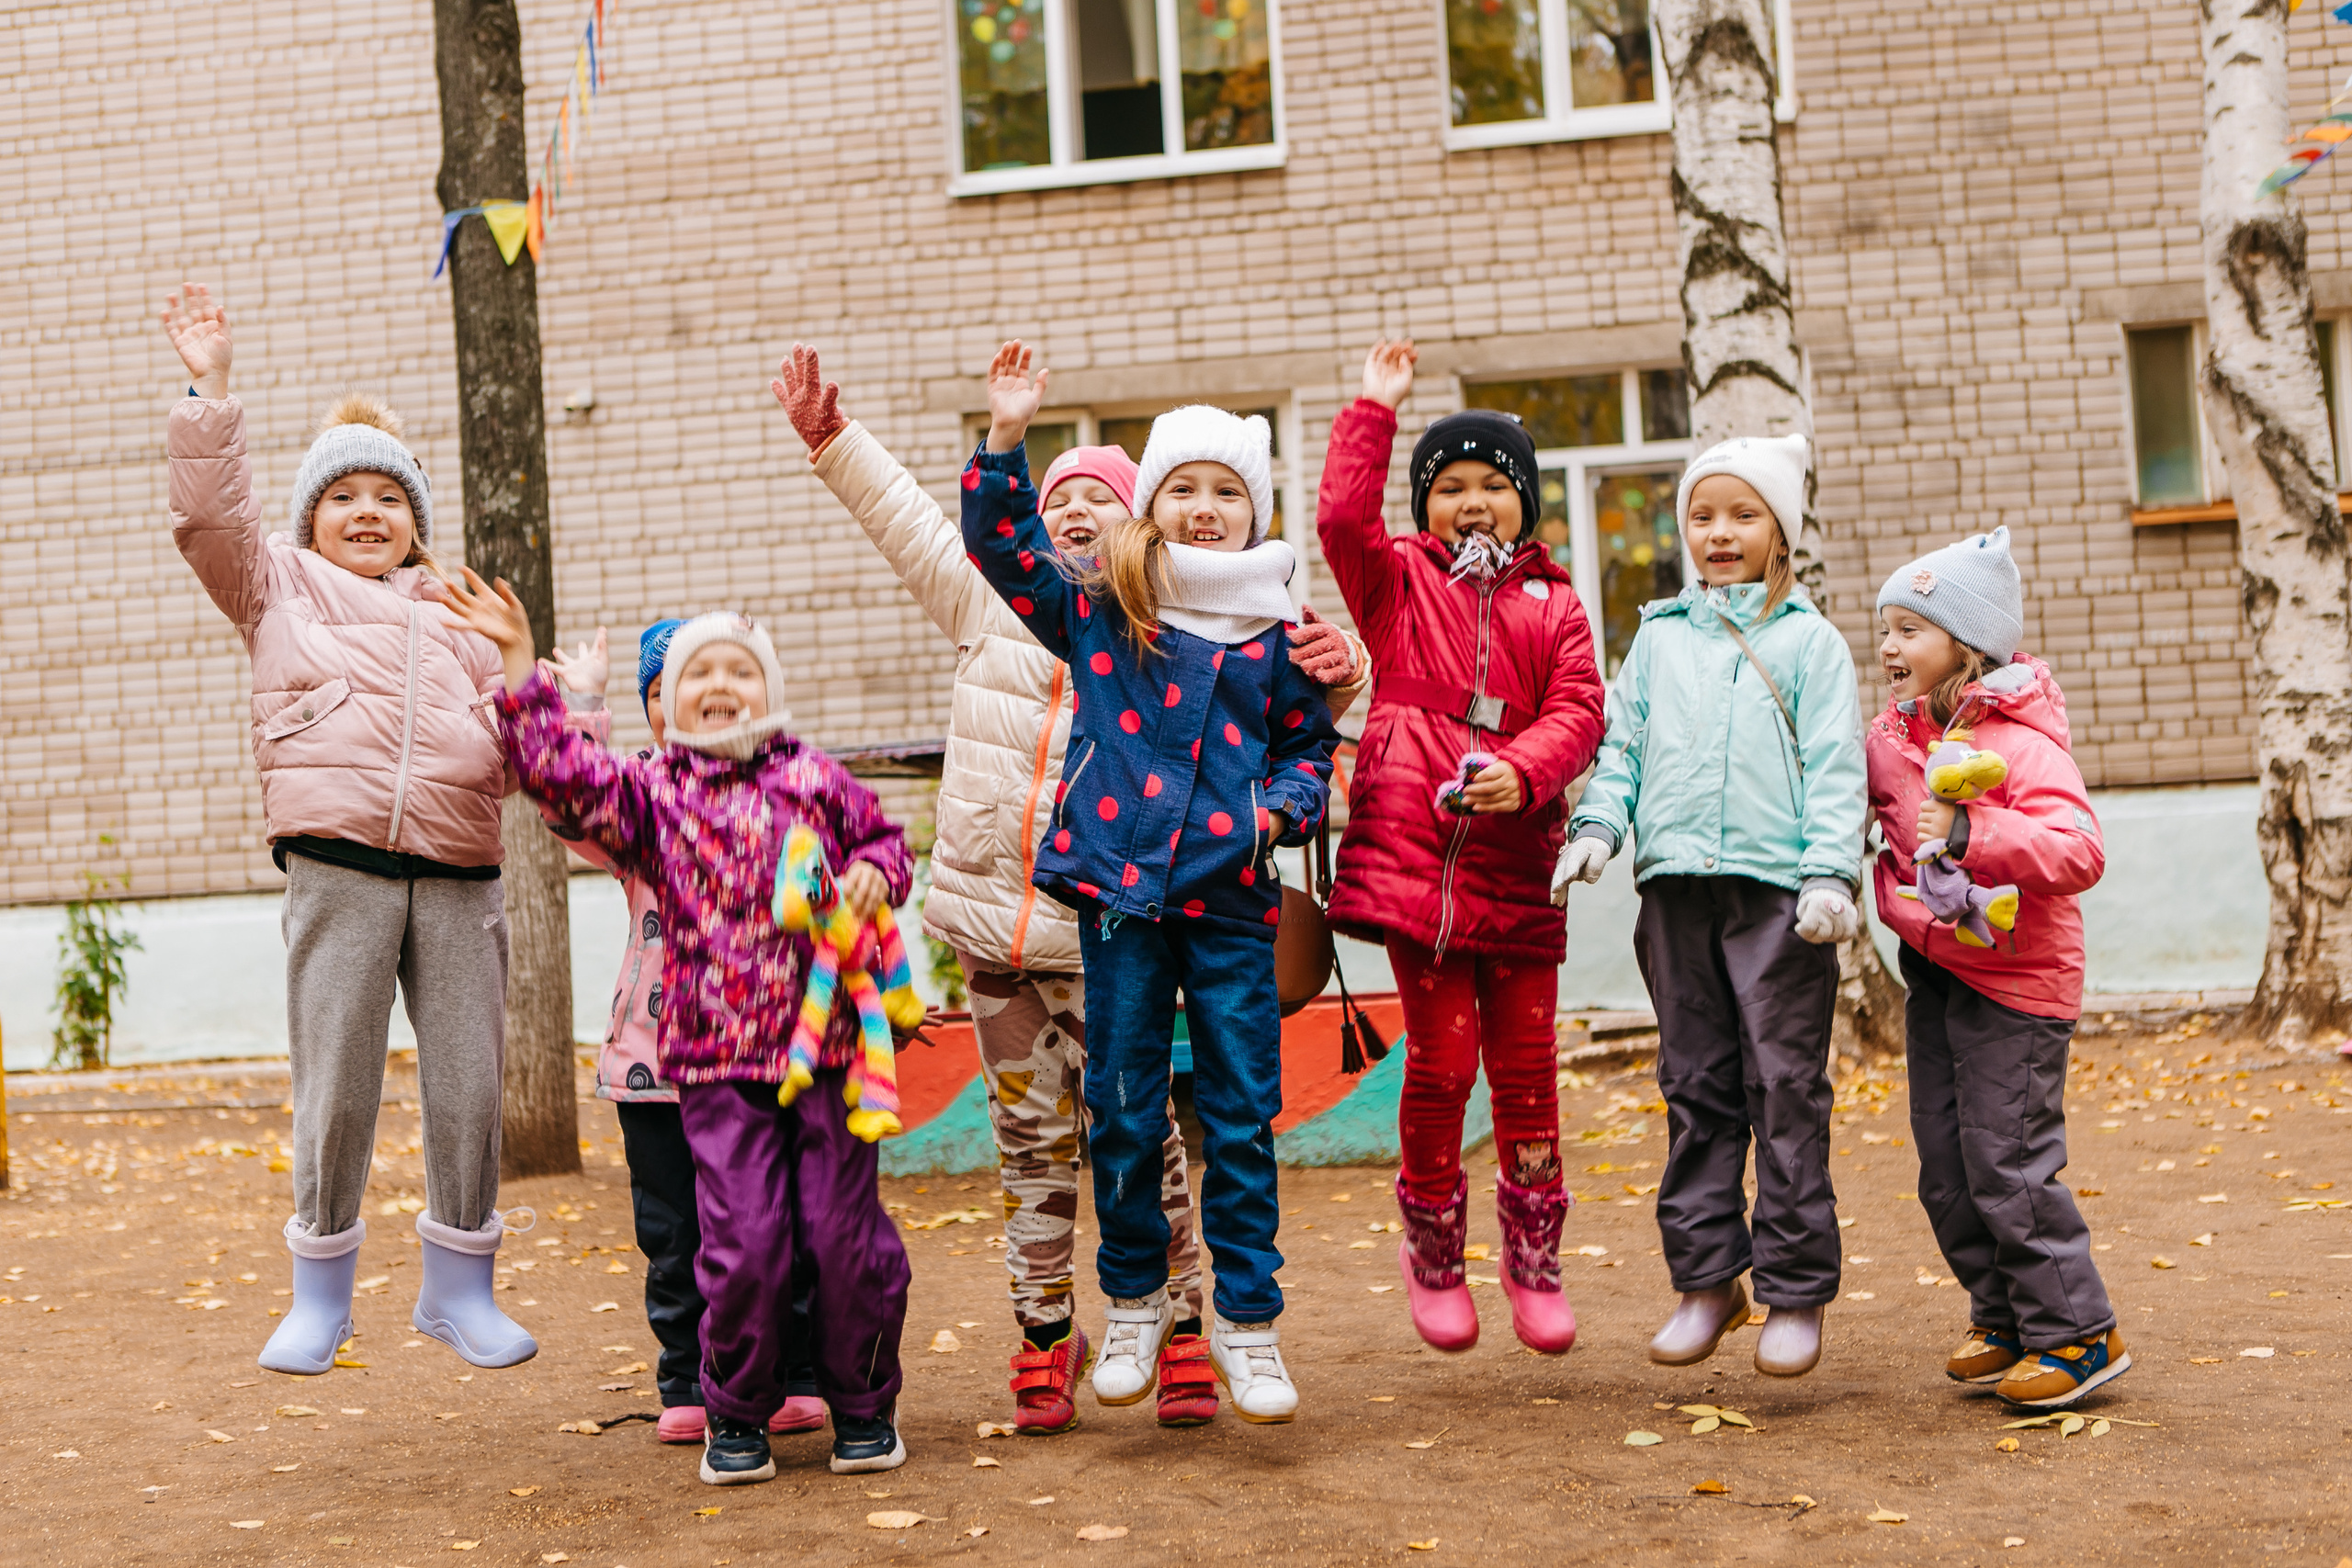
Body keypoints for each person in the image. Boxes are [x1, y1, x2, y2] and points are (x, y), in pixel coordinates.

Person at [771, 344, 1364, 1431]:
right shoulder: (1028, 608)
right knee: (1041, 1153)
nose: (1081, 513)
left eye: (1106, 497)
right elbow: (930, 525)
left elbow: (1308, 721)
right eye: (1066, 501)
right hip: (1028, 932)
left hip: (1162, 914)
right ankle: (1054, 1331)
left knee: (1175, 1133)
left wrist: (1300, 761)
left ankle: (1198, 1326)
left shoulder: (1222, 624)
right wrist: (968, 439)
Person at [442, 592, 916, 1486]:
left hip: (830, 1060)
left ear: (768, 690)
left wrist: (865, 873)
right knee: (741, 1245)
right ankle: (734, 1414)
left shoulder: (817, 778)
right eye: (700, 672)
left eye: (741, 670)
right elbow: (566, 783)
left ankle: (863, 1407)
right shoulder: (655, 794)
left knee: (843, 1241)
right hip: (717, 1068)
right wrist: (520, 668)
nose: (722, 684)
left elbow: (888, 847)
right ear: (670, 701)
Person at [160, 283, 537, 1378]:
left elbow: (525, 762)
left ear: (416, 519)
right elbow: (208, 517)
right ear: (310, 517)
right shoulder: (274, 585)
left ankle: (460, 1290)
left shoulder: (463, 616)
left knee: (470, 1084)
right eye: (344, 497)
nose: (367, 513)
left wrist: (531, 675)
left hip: (460, 874)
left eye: (389, 497)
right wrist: (210, 392)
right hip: (340, 867)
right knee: (336, 1082)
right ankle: (318, 1292)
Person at [960, 343, 1340, 1425]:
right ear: (1154, 504)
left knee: (1238, 1117)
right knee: (1121, 1112)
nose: (1206, 508)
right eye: (1185, 489)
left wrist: (1275, 812)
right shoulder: (1103, 607)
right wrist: (1004, 434)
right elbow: (1002, 548)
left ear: (1254, 511)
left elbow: (1310, 753)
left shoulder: (1277, 629)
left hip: (1230, 911)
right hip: (1122, 909)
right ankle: (1132, 1303)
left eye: (1229, 492)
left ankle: (1247, 1325)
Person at [1315, 341, 1606, 1356]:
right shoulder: (1395, 580)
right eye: (1451, 489)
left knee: (1526, 1070)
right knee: (1441, 1066)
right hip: (1413, 862)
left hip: (1515, 861)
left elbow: (1579, 709)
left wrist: (1525, 771)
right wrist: (1373, 407)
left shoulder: (1556, 604)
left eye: (1494, 487)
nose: (1472, 503)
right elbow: (1340, 520)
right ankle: (1432, 1247)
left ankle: (1533, 1258)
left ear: (1524, 505)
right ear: (1424, 506)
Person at [1555, 434, 1866, 1380]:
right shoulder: (1656, 636)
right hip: (1676, 891)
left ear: (1781, 530)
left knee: (1783, 1089)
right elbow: (1624, 748)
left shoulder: (1810, 641)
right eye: (1702, 515)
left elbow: (1835, 770)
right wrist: (1599, 827)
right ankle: (1704, 1282)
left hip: (1778, 897)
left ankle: (1794, 1291)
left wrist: (1828, 877)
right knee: (1694, 1092)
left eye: (1742, 514)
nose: (1719, 533)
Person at [537, 622, 828, 1446]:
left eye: (716, 678)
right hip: (655, 1066)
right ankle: (688, 1378)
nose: (689, 700)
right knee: (677, 1232)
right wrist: (584, 703)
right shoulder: (641, 800)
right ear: (653, 712)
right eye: (663, 690)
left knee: (782, 1222)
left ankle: (795, 1371)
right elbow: (573, 799)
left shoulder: (788, 789)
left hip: (765, 1058)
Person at [1869, 528, 2126, 1408]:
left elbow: (2080, 850)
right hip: (1934, 970)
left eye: (1909, 629)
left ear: (1965, 646)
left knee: (2007, 1160)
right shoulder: (1892, 740)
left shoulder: (2022, 743)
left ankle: (2080, 1334)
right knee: (1946, 1164)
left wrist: (1977, 834)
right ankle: (2006, 1315)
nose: (1888, 648)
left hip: (2020, 984)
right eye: (1885, 630)